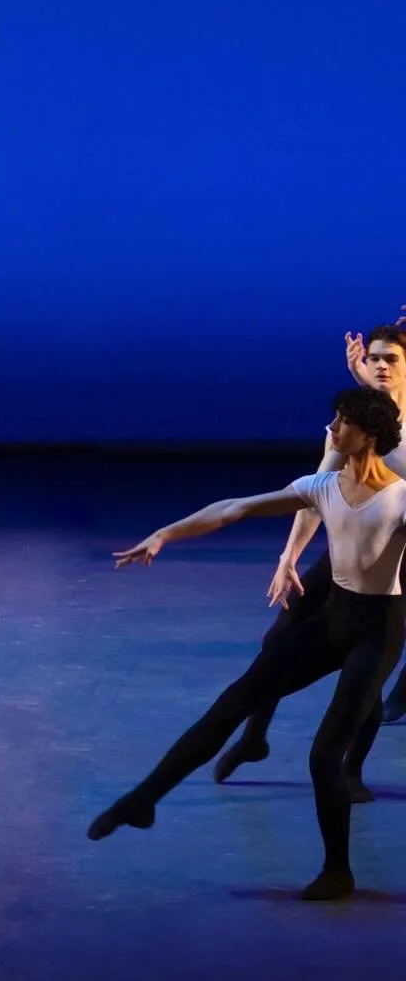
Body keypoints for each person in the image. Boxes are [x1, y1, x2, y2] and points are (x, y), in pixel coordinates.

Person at [92, 387, 406, 902]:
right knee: (233, 702)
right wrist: (165, 534)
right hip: (335, 618)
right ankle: (143, 798)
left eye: (341, 421)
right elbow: (234, 508)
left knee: (325, 753)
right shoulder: (323, 485)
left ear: (367, 433)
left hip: (380, 629)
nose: (330, 428)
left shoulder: (399, 499)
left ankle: (338, 872)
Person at [214, 326, 406, 795]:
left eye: (392, 360)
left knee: (367, 672)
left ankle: (352, 771)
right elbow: (314, 493)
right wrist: (288, 558)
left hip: (396, 565)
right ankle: (254, 737)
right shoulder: (353, 422)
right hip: (346, 555)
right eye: (374, 359)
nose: (380, 365)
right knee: (279, 637)